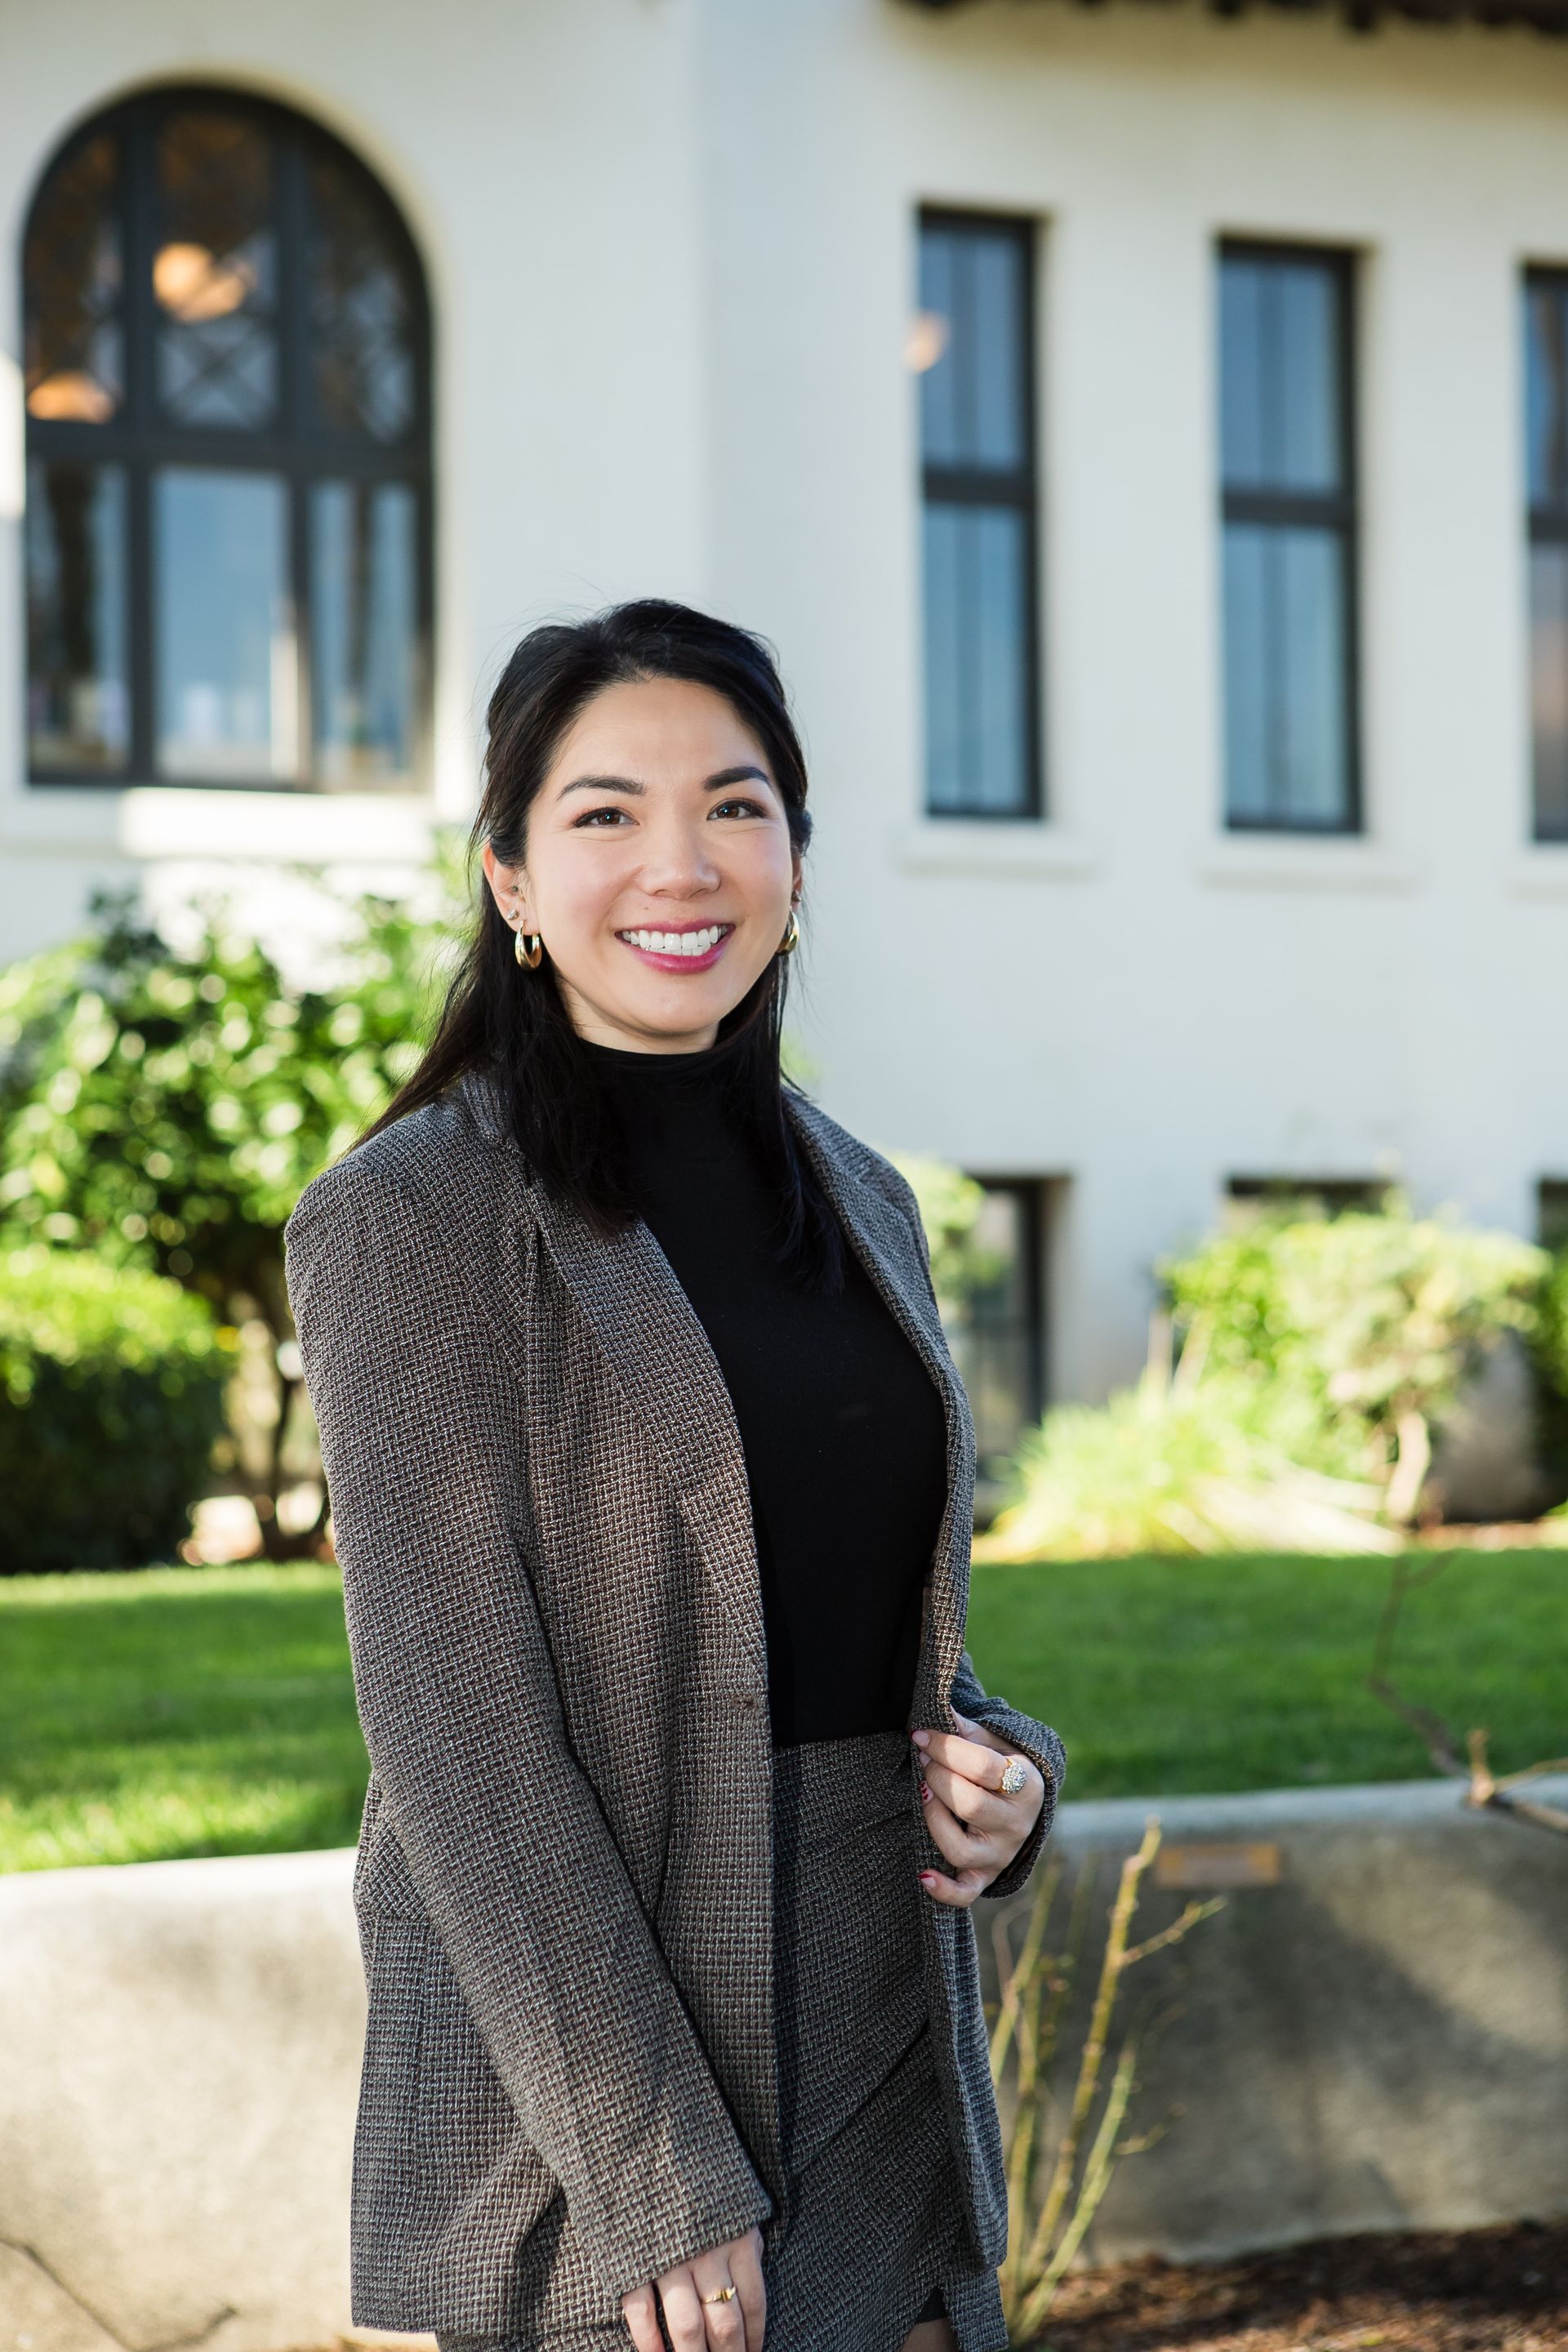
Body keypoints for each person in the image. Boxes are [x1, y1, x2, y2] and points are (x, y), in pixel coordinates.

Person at [286, 599, 1067, 2352]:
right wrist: (651, 2165)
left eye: (734, 803)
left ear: (793, 848)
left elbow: (866, 1624)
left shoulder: (864, 1201)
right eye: (604, 813)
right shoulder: (409, 1223)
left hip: (883, 2030)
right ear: (508, 880)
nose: (681, 863)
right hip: (613, 2062)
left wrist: (1008, 1772)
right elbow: (456, 1731)